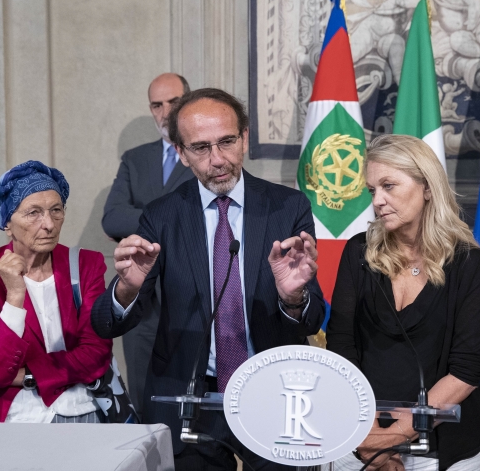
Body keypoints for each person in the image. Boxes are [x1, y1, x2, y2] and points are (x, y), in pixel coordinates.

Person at [90, 88, 326, 470]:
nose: (217, 159)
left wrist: (293, 298)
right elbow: (106, 323)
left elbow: (311, 321)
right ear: (181, 153)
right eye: (200, 148)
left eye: (227, 142)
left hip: (274, 395)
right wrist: (128, 289)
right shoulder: (162, 215)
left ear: (244, 138)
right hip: (190, 399)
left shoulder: (288, 207)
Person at [326, 134, 480, 471]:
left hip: (444, 448)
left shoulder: (469, 264)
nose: (378, 201)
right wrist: (368, 437)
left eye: (389, 186)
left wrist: (394, 436)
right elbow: (342, 347)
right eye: (372, 190)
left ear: (427, 187)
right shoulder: (358, 253)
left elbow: (467, 369)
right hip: (359, 437)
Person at [0, 161, 112, 423]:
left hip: (81, 409)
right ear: (7, 223)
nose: (49, 224)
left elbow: (96, 353)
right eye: (33, 213)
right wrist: (14, 297)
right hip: (14, 418)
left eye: (56, 210)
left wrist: (28, 376)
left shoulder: (86, 264)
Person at [101, 72, 194, 417]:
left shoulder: (205, 154)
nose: (165, 112)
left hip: (193, 297)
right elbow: (112, 218)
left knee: (191, 405)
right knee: (142, 400)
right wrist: (173, 219)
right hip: (141, 303)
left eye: (173, 102)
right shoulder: (135, 159)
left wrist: (143, 221)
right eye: (157, 105)